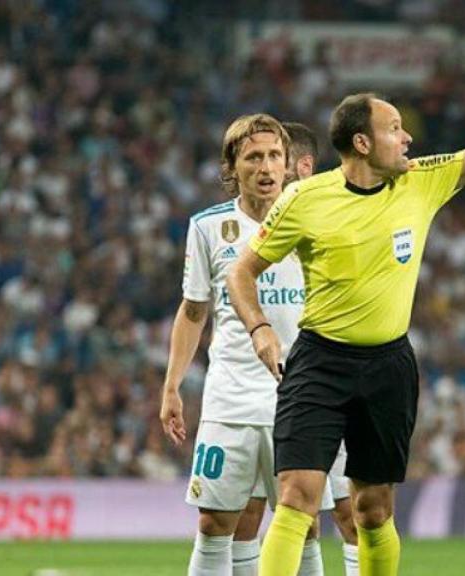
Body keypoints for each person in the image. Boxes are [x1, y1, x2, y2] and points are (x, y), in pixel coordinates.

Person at [227, 46, 465, 576]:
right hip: (319, 364)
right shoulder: (303, 199)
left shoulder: (420, 180)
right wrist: (260, 327)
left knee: (373, 509)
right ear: (362, 142)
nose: (407, 138)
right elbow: (242, 271)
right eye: (394, 128)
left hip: (388, 366)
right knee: (297, 496)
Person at [160, 114, 331, 576]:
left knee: (304, 522)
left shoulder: (317, 220)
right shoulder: (208, 227)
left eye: (275, 155)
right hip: (230, 396)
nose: (266, 166)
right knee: (216, 521)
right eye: (253, 156)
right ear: (232, 166)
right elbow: (194, 310)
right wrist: (172, 385)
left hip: (303, 397)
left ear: (289, 162)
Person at [282, 121, 361, 576]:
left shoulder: (343, 215)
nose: (269, 168)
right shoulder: (258, 231)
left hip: (336, 381)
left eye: (278, 156)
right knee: (297, 515)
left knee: (353, 513)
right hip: (282, 392)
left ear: (304, 166)